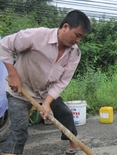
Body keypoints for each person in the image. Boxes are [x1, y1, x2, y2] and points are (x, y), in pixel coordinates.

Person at [0, 10, 91, 155]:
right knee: (19, 133)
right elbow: (4, 45)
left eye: (82, 37)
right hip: (20, 91)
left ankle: (73, 146)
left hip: (44, 93)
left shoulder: (74, 53)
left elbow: (62, 81)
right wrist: (12, 75)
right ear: (65, 27)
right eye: (77, 35)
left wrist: (47, 102)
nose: (78, 40)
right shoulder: (38, 36)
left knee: (66, 115)